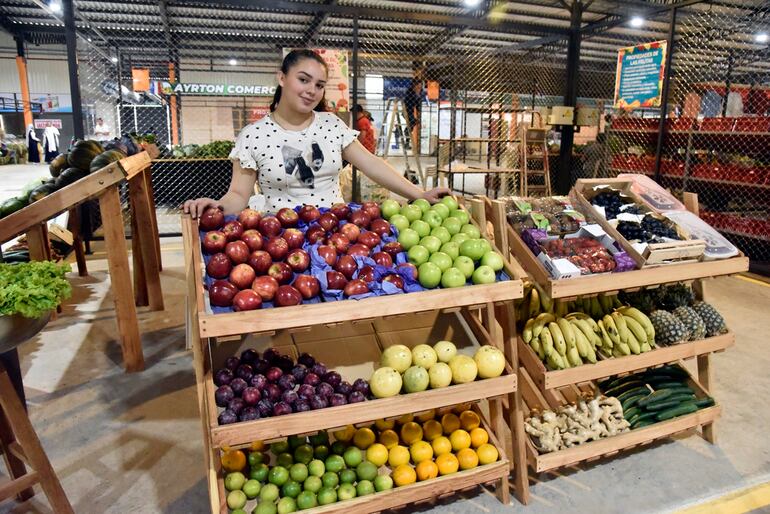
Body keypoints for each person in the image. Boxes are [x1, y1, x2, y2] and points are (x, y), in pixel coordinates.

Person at [183, 49, 449, 218]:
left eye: (320, 85)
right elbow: (238, 196)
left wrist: (419, 194)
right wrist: (215, 206)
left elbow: (372, 164)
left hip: (334, 234)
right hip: (280, 240)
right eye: (303, 79)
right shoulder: (253, 136)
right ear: (282, 78)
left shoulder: (331, 125)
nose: (312, 90)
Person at [403, 78, 422, 155]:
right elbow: (410, 102)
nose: (419, 89)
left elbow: (417, 105)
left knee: (413, 123)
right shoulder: (410, 92)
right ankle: (406, 133)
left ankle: (407, 140)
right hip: (407, 112)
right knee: (413, 122)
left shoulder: (416, 94)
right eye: (418, 87)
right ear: (415, 86)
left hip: (410, 112)